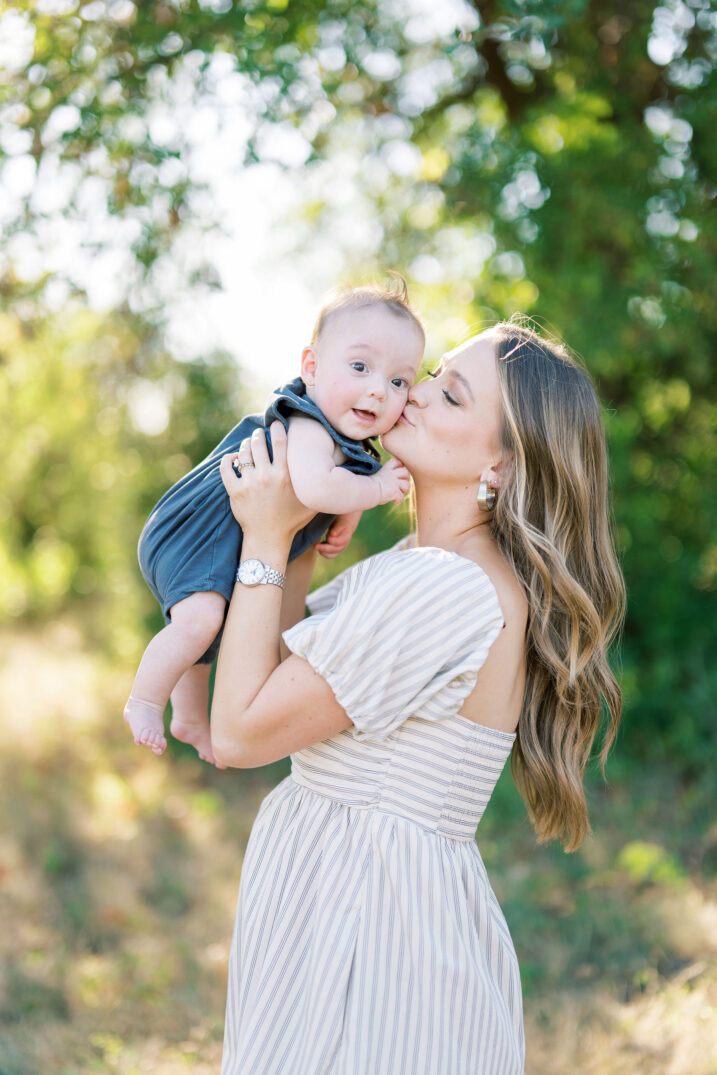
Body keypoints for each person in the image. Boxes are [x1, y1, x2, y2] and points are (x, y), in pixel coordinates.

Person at [210, 319, 626, 1075]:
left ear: (500, 461)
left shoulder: (443, 585)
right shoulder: (423, 563)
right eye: (432, 376)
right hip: (347, 887)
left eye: (451, 395)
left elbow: (238, 731)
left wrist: (264, 544)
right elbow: (278, 675)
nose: (416, 395)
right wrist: (300, 528)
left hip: (368, 920)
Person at [124, 280, 425, 762]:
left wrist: (346, 512)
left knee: (210, 624)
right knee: (200, 621)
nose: (378, 389)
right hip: (194, 535)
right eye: (360, 366)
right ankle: (143, 701)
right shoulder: (307, 424)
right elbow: (314, 486)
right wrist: (375, 491)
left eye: (398, 381)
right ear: (312, 367)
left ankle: (189, 718)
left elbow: (333, 486)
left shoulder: (342, 441)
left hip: (217, 543)